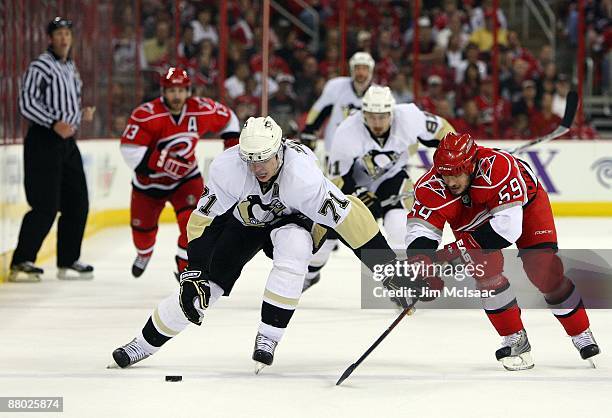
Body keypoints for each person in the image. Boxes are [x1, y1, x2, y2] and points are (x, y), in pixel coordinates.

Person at [110, 116, 402, 373]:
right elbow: (203, 223)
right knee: (203, 289)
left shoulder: (303, 176)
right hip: (246, 220)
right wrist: (194, 271)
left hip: (295, 219)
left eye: (264, 158)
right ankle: (143, 344)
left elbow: (351, 220)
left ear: (280, 150)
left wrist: (391, 273)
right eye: (251, 159)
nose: (257, 167)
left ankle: (269, 336)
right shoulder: (228, 166)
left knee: (294, 247)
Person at [403, 132, 600, 370]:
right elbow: (420, 232)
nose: (450, 181)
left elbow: (507, 230)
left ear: (471, 165)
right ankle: (515, 338)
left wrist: (453, 252)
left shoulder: (499, 168)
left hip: (525, 207)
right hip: (473, 219)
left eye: (456, 173)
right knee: (486, 274)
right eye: (445, 174)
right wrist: (422, 265)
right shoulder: (430, 186)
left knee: (543, 271)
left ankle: (580, 332)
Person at [303, 86, 455, 291]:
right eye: (372, 117)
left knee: (399, 227)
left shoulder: (410, 116)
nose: (377, 123)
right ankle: (310, 275)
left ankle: (406, 280)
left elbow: (444, 131)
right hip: (355, 185)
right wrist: (357, 194)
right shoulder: (347, 131)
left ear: (391, 113)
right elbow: (337, 179)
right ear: (363, 114)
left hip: (393, 178)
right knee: (328, 237)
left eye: (383, 116)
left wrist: (453, 157)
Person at [119, 67, 240, 279]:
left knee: (194, 222)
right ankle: (144, 253)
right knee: (143, 235)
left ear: (188, 91)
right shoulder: (146, 114)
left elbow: (229, 118)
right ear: (163, 92)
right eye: (172, 91)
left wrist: (231, 148)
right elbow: (129, 148)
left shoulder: (200, 109)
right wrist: (163, 162)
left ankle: (186, 265)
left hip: (186, 179)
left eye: (181, 90)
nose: (177, 96)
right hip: (149, 184)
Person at [10, 17, 95, 282]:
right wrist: (52, 123)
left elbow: (67, 107)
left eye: (67, 33)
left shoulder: (71, 68)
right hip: (44, 140)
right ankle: (22, 261)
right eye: (58, 33)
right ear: (50, 38)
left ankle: (68, 261)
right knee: (45, 205)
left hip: (67, 143)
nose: (64, 38)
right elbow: (26, 101)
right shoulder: (41, 66)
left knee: (78, 202)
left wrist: (80, 115)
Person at [298, 51, 375, 153]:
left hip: (364, 151)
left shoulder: (378, 94)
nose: (361, 73)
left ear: (371, 71)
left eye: (364, 69)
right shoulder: (336, 87)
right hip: (334, 148)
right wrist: (309, 130)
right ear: (352, 70)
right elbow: (319, 110)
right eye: (357, 68)